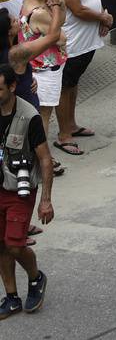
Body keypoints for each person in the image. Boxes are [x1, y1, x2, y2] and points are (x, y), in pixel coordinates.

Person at [0, 65, 53, 317]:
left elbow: (44, 159)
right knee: (0, 245)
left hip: (18, 190)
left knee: (14, 245)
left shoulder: (28, 116)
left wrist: (46, 201)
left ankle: (35, 278)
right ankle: (11, 297)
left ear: (11, 87)